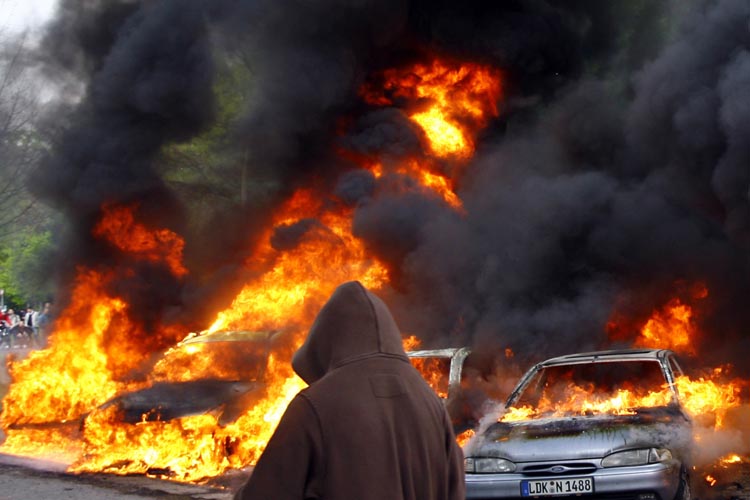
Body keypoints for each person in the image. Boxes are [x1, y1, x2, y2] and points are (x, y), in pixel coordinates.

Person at [233, 281, 465, 500]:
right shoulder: (431, 402)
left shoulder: (314, 407)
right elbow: (455, 489)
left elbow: (266, 493)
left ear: (327, 339)